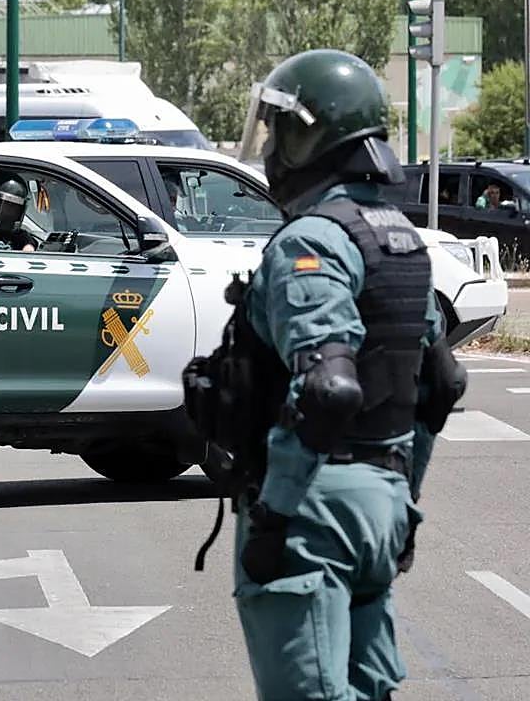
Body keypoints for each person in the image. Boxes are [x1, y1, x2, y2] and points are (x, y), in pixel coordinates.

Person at [184, 49, 466, 700]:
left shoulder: (312, 241)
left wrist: (277, 515)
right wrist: (403, 501)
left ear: (312, 134)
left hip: (314, 503)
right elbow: (441, 385)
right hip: (380, 502)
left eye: (281, 131)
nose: (273, 151)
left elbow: (327, 388)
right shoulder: (396, 237)